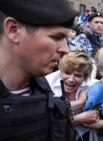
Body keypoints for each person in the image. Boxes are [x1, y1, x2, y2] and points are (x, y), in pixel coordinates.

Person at [0, 0, 78, 140]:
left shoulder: (45, 90)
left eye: (65, 38)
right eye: (56, 37)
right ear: (13, 30)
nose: (65, 49)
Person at [45, 51, 99, 141]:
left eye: (77, 75)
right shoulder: (48, 83)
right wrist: (79, 104)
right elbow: (47, 117)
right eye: (67, 73)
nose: (71, 79)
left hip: (84, 135)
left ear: (84, 77)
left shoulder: (93, 86)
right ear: (61, 71)